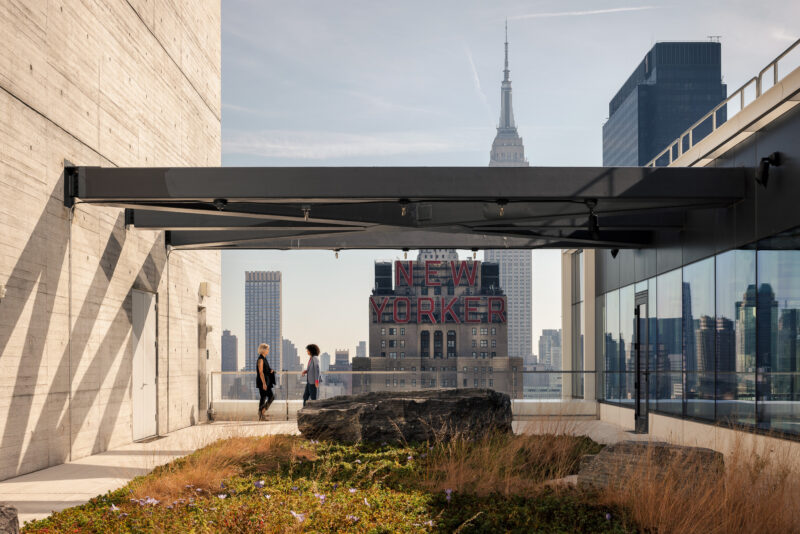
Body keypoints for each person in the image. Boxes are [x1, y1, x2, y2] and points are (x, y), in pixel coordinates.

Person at [256, 343, 275, 421]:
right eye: (267, 349)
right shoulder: (260, 359)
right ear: (263, 350)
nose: (268, 350)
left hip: (266, 381)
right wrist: (264, 383)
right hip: (263, 382)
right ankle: (261, 412)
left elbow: (265, 369)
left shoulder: (264, 358)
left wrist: (270, 371)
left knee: (263, 397)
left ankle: (261, 415)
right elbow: (261, 372)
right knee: (271, 396)